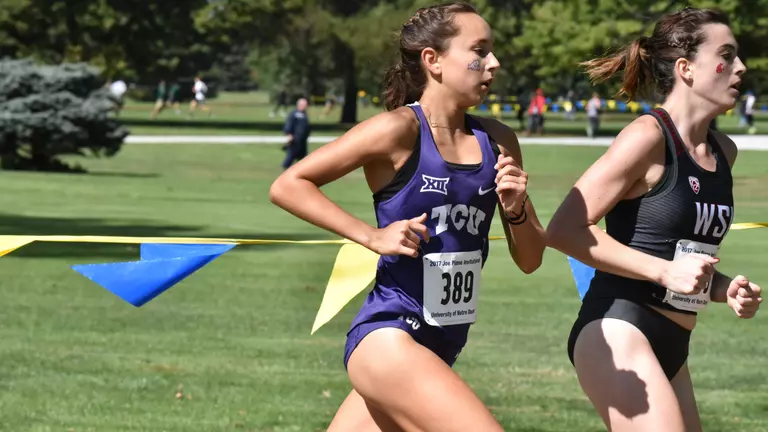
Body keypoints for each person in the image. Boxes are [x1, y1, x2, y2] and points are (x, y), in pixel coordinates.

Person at [269, 3, 546, 431]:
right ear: (432, 60)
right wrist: (371, 235)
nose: (494, 63)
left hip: (441, 344)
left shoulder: (498, 141)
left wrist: (516, 209)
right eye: (479, 50)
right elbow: (289, 185)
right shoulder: (398, 130)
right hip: (389, 336)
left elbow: (530, 260)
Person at [546, 8, 762, 432]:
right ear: (687, 69)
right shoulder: (647, 137)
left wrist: (722, 287)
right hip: (619, 328)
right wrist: (665, 271)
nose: (741, 67)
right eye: (727, 54)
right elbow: (564, 229)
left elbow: (677, 253)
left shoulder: (723, 152)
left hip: (674, 342)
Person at [281, 97, 311, 169]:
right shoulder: (294, 114)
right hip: (295, 139)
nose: (306, 106)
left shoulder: (304, 114)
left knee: (303, 158)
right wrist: (289, 134)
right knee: (291, 155)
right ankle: (285, 167)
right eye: (304, 105)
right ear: (299, 105)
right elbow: (289, 124)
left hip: (302, 140)